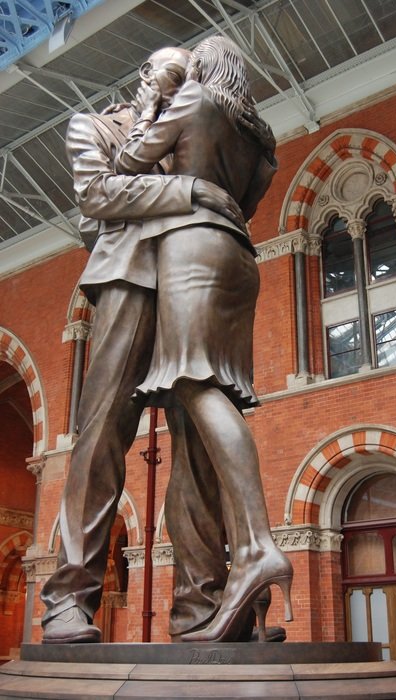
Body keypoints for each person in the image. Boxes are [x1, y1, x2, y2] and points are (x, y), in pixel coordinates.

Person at [40, 46, 244, 644]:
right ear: (143, 75)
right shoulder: (96, 127)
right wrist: (192, 192)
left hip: (196, 281)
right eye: (169, 73)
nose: (179, 83)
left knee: (198, 441)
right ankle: (69, 598)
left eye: (189, 76)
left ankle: (200, 606)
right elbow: (98, 198)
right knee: (102, 432)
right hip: (129, 278)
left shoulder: (193, 123)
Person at [115, 35, 293, 643]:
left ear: (202, 68)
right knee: (213, 397)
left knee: (193, 383)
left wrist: (150, 107)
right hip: (241, 255)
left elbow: (129, 166)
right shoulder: (258, 134)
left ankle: (256, 548)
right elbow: (245, 196)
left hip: (193, 249)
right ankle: (254, 599)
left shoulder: (192, 101)